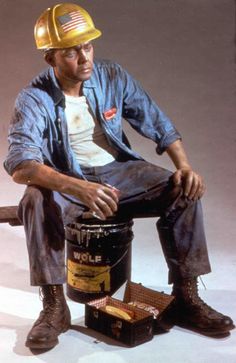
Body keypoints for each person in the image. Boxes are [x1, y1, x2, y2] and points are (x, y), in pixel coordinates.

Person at [4, 2, 234, 350]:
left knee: (183, 190)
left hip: (120, 171)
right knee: (35, 197)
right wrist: (77, 187)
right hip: (68, 177)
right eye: (71, 52)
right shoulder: (33, 99)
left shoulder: (112, 76)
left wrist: (185, 167)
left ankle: (186, 298)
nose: (84, 59)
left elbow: (158, 123)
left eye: (87, 46)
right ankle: (54, 306)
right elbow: (21, 163)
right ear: (50, 58)